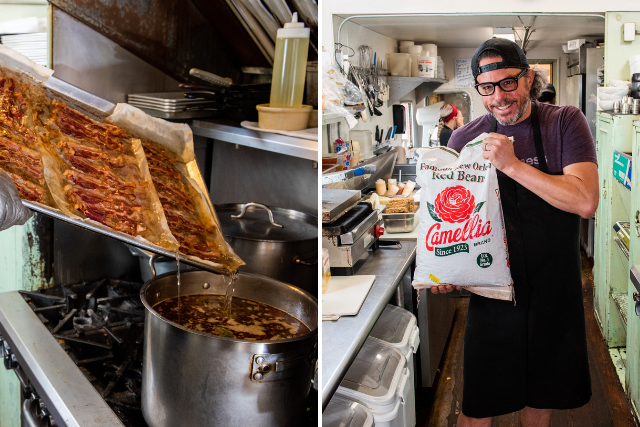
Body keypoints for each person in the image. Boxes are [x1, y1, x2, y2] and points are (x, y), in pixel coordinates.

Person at [430, 38, 598, 427]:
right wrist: (445, 270)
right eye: (487, 87)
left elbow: (585, 200)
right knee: (478, 403)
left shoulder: (565, 123)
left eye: (508, 83)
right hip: (492, 290)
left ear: (529, 78)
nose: (498, 97)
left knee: (541, 397)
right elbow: (453, 220)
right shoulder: (462, 140)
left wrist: (512, 164)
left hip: (553, 287)